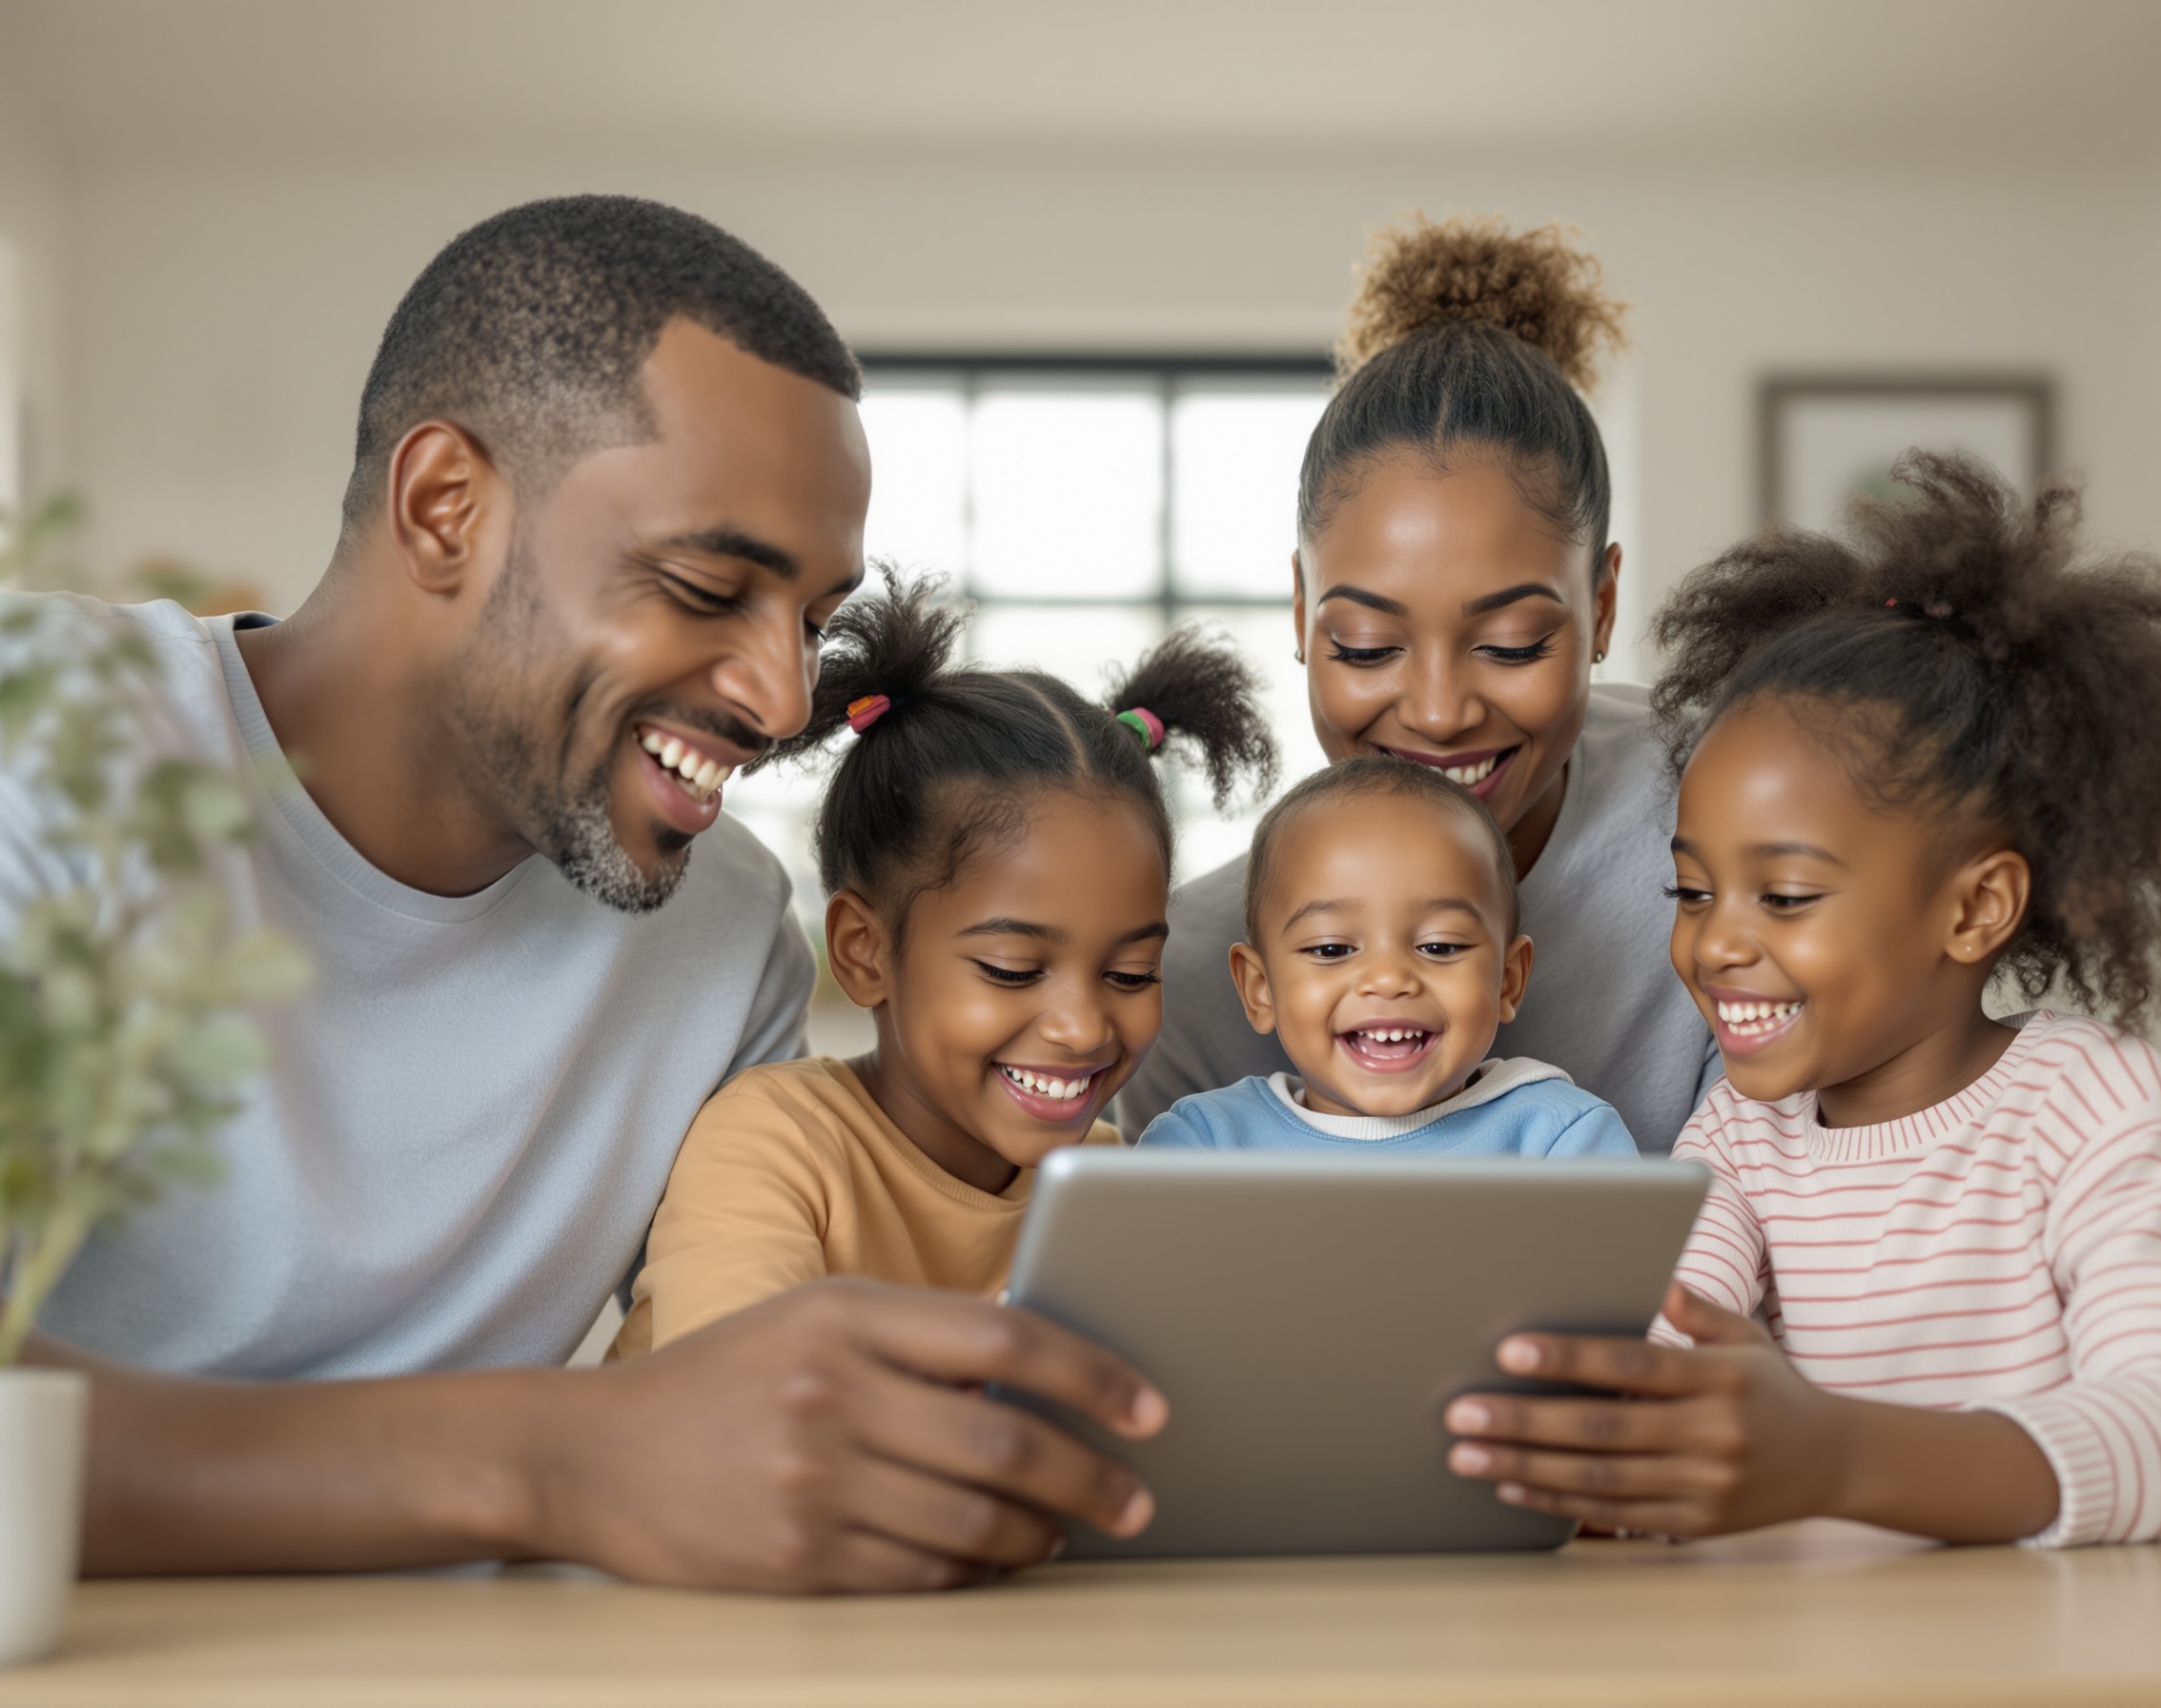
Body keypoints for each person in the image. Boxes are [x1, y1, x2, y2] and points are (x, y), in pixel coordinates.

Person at [8, 196, 1172, 1593]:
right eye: (705, 585)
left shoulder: (721, 929)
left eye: (809, 619)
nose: (782, 697)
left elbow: (718, 1412)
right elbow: (623, 1452)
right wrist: (554, 1460)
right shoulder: (46, 745)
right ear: (447, 508)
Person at [1441, 453, 2161, 1546]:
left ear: (1974, 909)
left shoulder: (2092, 1111)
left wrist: (1837, 1453)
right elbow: (1668, 1338)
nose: (1715, 939)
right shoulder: (1739, 1133)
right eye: (1691, 889)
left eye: (1783, 894)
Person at [1123, 215, 1715, 1152]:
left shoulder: (1727, 811)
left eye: (1513, 644)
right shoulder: (1194, 972)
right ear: (1299, 611)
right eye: (1364, 646)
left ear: (1600, 606)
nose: (1438, 714)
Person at [616, 574, 1274, 1351]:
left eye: (1130, 974)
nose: (1081, 1026)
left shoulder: (1109, 1182)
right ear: (865, 952)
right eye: (1012, 968)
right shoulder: (776, 1140)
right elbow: (744, 1406)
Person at [1137, 756, 1634, 1156]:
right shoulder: (1202, 1145)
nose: (1389, 979)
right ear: (1260, 989)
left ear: (1507, 981)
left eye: (1439, 946)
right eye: (1332, 949)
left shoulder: (1562, 1140)